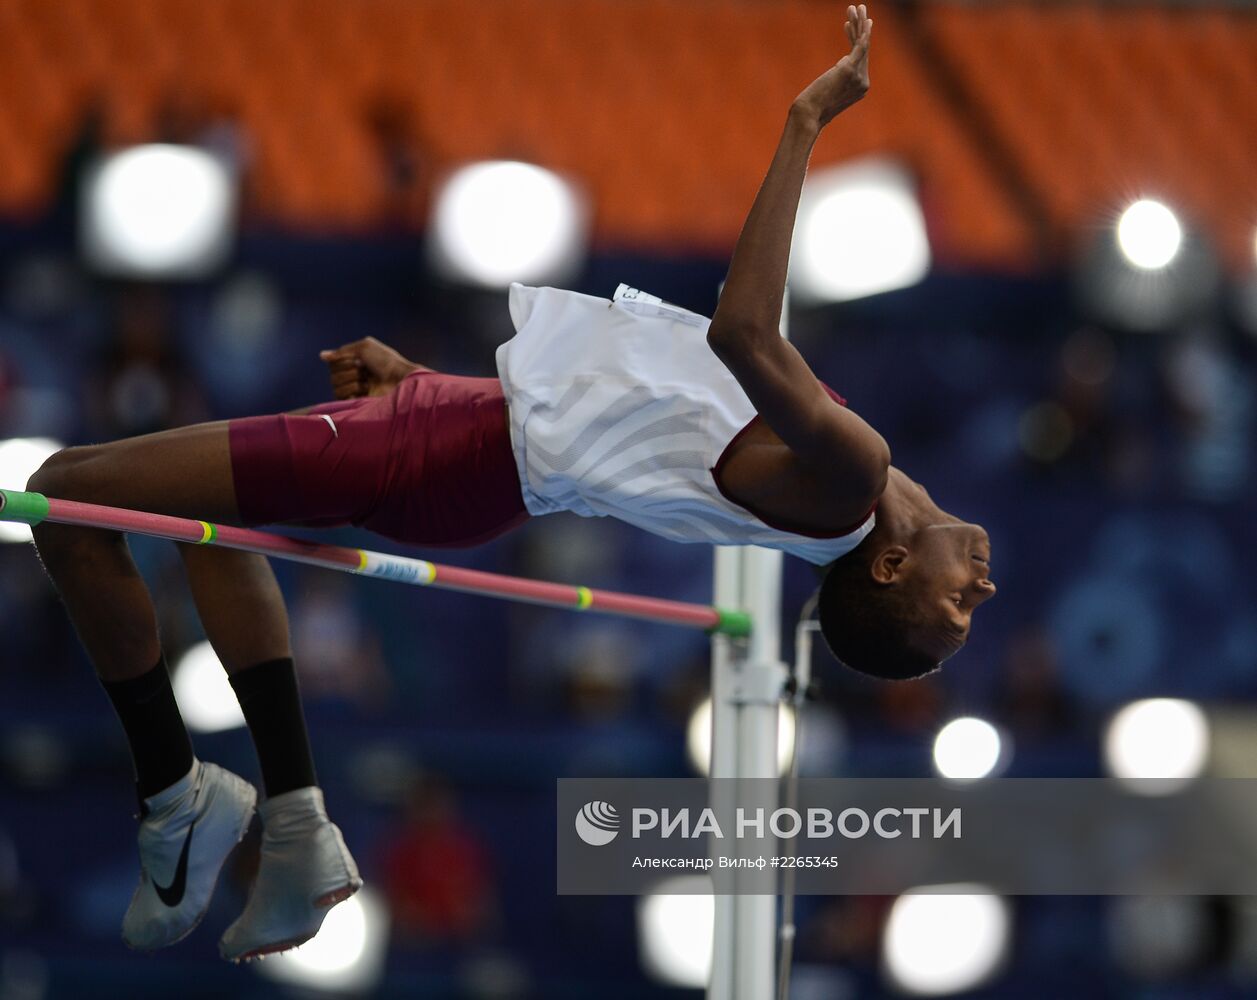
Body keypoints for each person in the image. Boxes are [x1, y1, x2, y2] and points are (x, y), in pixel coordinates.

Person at [26, 4, 993, 963]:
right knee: (206, 527)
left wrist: (806, 119)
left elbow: (740, 332)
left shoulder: (850, 479)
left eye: (954, 607)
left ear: (889, 565)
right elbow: (618, 410)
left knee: (65, 497)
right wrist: (429, 386)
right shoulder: (842, 494)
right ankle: (284, 824)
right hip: (456, 447)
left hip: (444, 460)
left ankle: (177, 800)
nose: (981, 588)